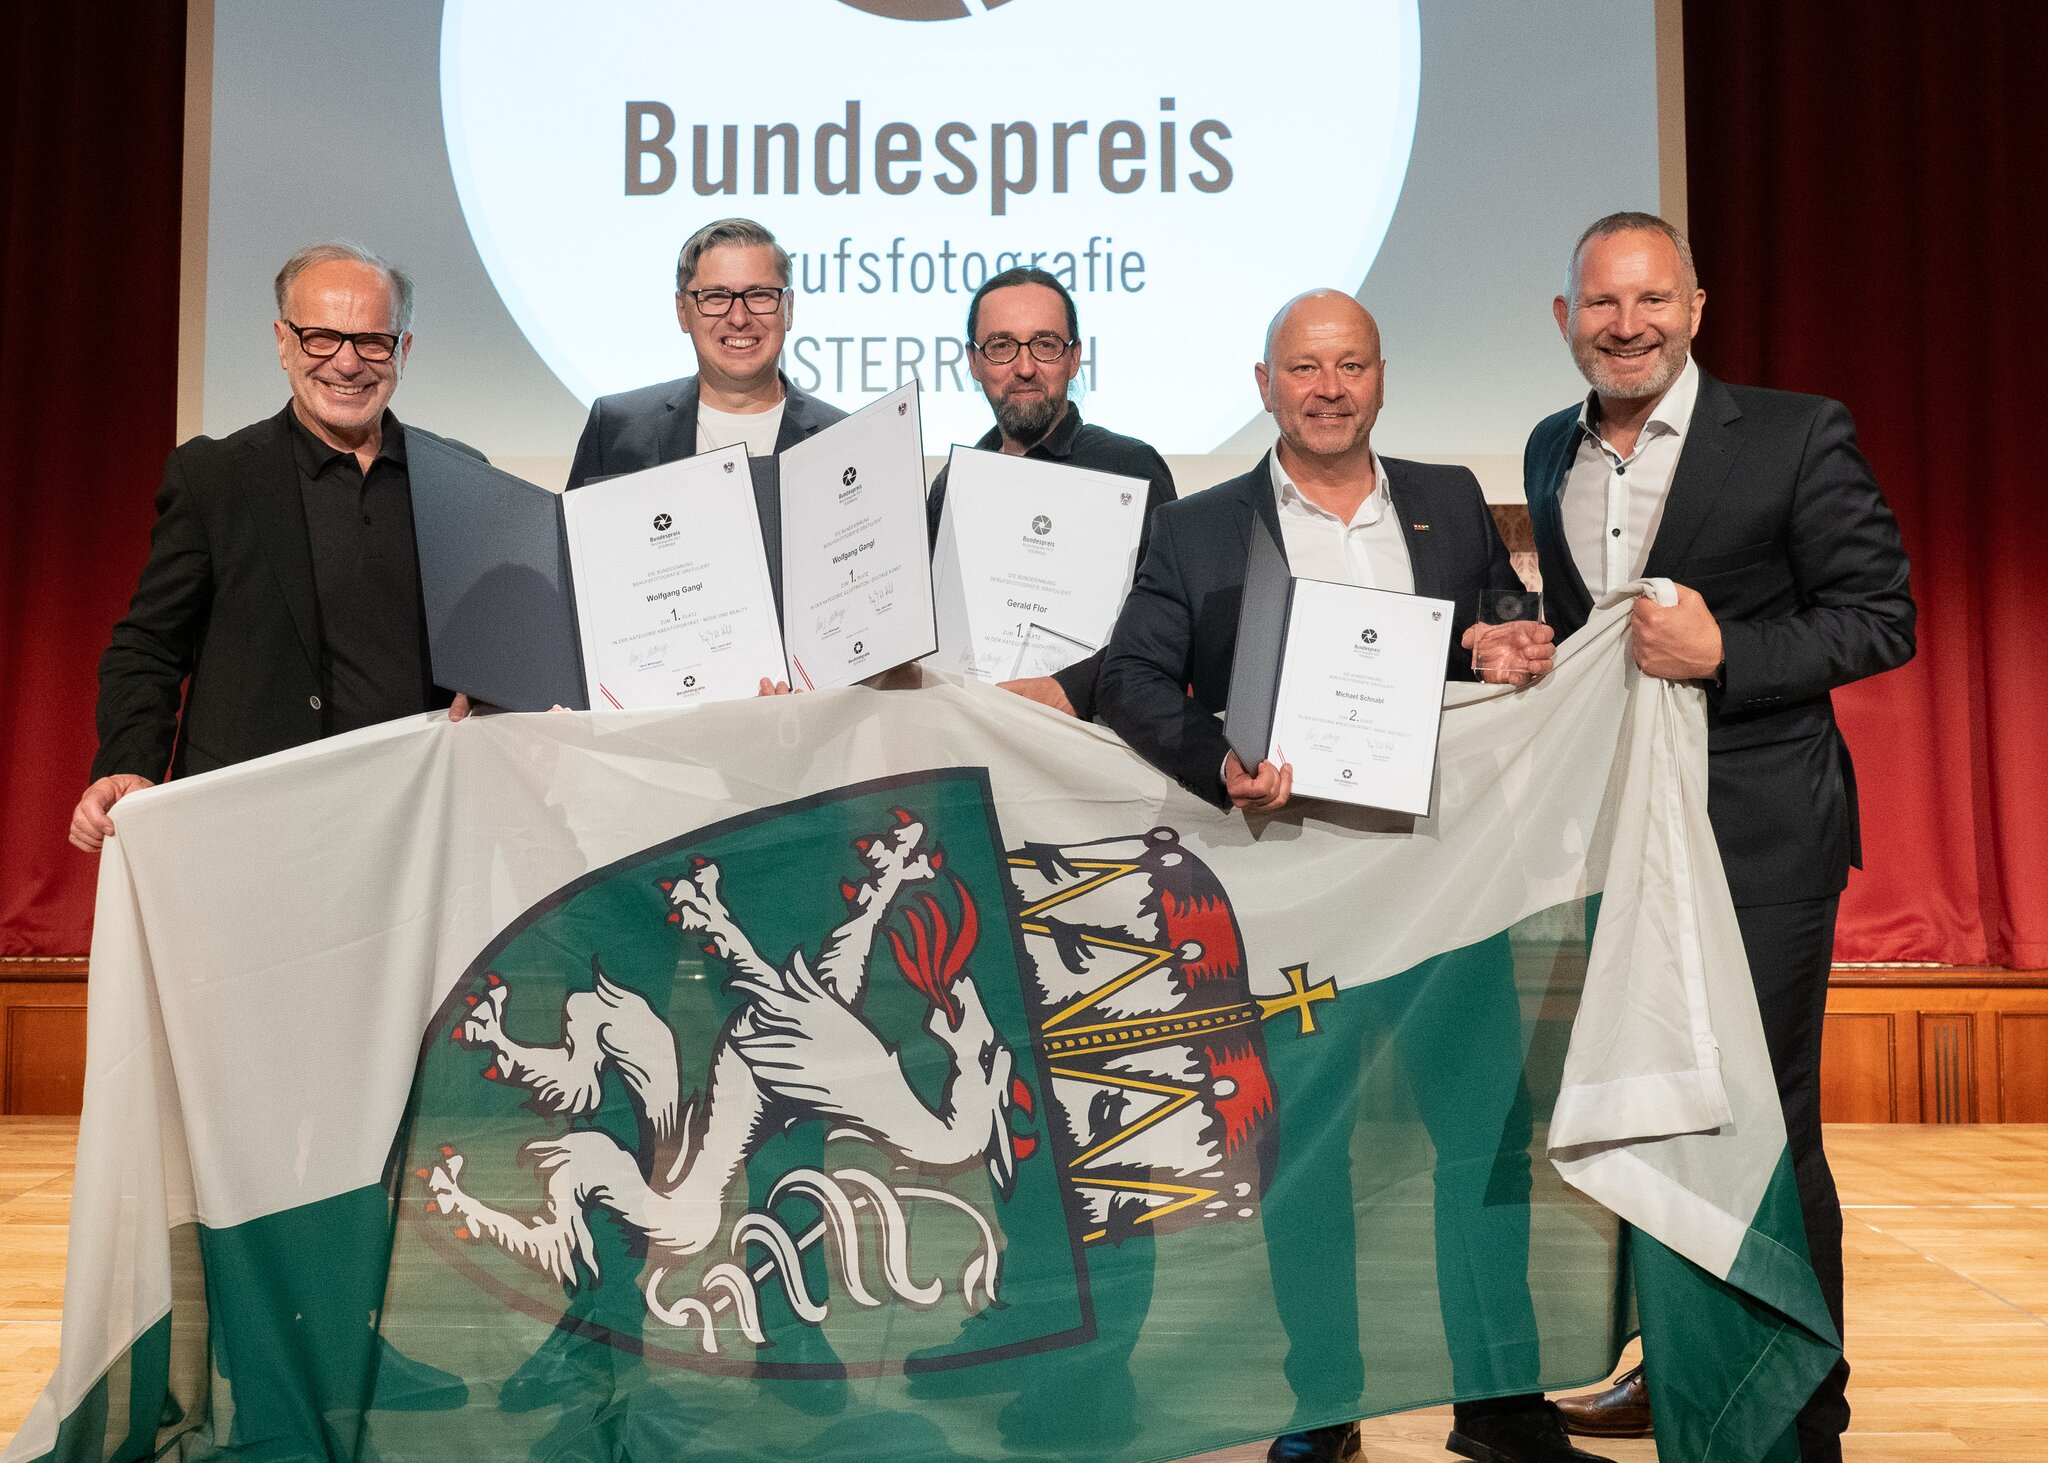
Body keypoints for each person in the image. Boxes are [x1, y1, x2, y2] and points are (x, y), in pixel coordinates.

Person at [1101, 293, 1595, 1463]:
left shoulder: (1445, 502)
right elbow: (1130, 677)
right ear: (1263, 383)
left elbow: (1499, 623)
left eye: (1350, 365)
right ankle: (1321, 1407)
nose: (1328, 387)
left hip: (1445, 880)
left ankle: (1500, 1406)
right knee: (1306, 1156)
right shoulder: (1197, 528)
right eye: (1303, 368)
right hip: (1292, 898)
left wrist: (1501, 636)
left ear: (1381, 378)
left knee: (1480, 1144)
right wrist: (1217, 762)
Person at [1526, 212, 1914, 1463]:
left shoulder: (1798, 433)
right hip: (1608, 836)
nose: (1624, 324)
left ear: (1696, 307)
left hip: (1756, 840)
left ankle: (1803, 1409)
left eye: (1648, 300)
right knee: (1643, 1096)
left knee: (1764, 1118)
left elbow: (1876, 617)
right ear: (1562, 319)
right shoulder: (1548, 448)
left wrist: (1729, 653)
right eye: (1599, 304)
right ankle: (1683, 1362)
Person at [70, 240, 476, 853]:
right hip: (249, 819)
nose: (347, 364)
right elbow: (149, 645)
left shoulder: (460, 478)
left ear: (403, 351)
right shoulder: (215, 476)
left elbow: (489, 650)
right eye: (321, 337)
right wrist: (129, 762)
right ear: (284, 342)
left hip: (416, 822)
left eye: (372, 341)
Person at [923, 265, 1178, 719]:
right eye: (1001, 347)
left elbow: (1169, 625)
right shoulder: (953, 485)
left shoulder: (1130, 468)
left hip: (1092, 744)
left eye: (1045, 345)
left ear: (1074, 357)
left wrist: (1075, 688)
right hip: (964, 731)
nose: (1024, 368)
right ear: (974, 362)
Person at [564, 217, 842, 488]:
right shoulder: (617, 429)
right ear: (683, 311)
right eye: (716, 297)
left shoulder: (843, 436)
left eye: (759, 295)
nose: (739, 318)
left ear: (788, 308)